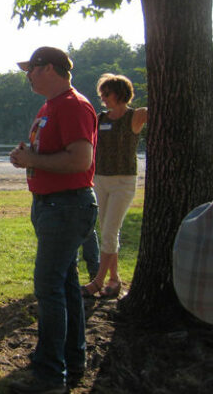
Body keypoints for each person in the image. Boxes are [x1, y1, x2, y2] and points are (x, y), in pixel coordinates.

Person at [9, 47, 98, 394]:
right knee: (65, 286)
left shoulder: (74, 104)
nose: (27, 76)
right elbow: (48, 153)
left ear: (48, 68)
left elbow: (80, 160)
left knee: (48, 286)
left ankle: (50, 377)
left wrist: (33, 159)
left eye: (31, 69)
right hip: (51, 205)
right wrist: (26, 156)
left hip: (67, 206)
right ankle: (73, 360)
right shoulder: (49, 106)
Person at [80, 74, 147, 299]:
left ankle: (98, 281)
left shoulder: (135, 116)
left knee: (110, 231)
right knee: (108, 231)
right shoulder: (100, 118)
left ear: (119, 93)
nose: (103, 98)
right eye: (101, 94)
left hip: (123, 182)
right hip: (100, 179)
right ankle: (114, 279)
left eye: (106, 94)